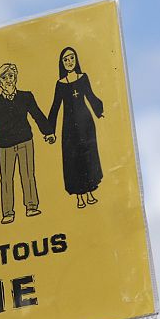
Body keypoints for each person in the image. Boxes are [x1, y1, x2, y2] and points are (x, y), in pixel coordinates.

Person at [0, 64, 54, 224]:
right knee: (6, 179)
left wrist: (48, 132)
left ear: (16, 77)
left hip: (25, 141)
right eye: (4, 77)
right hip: (5, 146)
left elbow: (37, 114)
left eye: (11, 76)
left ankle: (31, 206)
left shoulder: (26, 96)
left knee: (28, 175)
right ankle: (8, 212)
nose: (8, 80)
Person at [47, 47, 104, 208]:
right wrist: (49, 131)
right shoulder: (60, 84)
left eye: (71, 58)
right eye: (65, 59)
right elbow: (55, 107)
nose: (69, 62)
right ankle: (79, 196)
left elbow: (91, 96)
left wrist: (100, 111)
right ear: (62, 63)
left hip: (86, 125)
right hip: (69, 127)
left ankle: (91, 191)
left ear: (76, 59)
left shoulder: (83, 78)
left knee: (87, 157)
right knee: (73, 160)